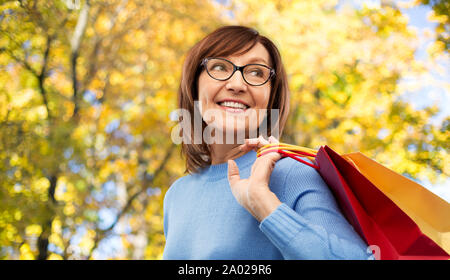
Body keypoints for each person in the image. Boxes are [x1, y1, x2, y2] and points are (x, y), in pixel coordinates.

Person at [163, 25, 372, 260]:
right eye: (220, 67)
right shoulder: (176, 195)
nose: (237, 84)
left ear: (271, 97)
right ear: (194, 85)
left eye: (256, 72)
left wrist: (264, 203)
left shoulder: (292, 174)